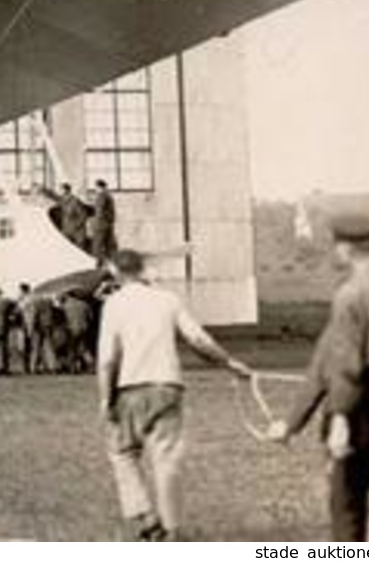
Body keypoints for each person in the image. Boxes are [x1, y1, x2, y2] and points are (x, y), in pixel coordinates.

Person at [96, 248, 250, 541]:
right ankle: (172, 529)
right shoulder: (168, 300)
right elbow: (197, 339)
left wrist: (105, 398)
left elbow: (107, 358)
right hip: (168, 386)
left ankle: (147, 516)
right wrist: (229, 362)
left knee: (123, 454)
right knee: (166, 459)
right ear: (142, 271)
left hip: (130, 387)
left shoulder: (113, 305)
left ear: (115, 272)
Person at [302, 212, 369, 541]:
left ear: (346, 249)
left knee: (348, 501)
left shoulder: (350, 293)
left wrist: (340, 418)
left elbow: (346, 364)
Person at [90, 179, 118, 261]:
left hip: (101, 224)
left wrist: (95, 223)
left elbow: (99, 211)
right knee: (109, 244)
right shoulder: (109, 195)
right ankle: (113, 262)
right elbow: (110, 211)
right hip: (108, 223)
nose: (95, 189)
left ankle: (97, 263)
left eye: (96, 187)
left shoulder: (101, 196)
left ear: (99, 187)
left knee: (97, 245)